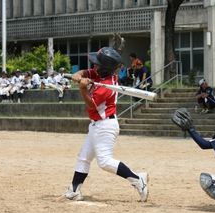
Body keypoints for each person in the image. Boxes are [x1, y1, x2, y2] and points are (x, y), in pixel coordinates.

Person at [58, 47, 148, 202]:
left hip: (105, 125)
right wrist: (77, 75)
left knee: (105, 162)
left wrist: (82, 88)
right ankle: (74, 190)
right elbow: (86, 73)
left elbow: (91, 104)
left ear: (106, 68)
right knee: (83, 158)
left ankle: (138, 180)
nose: (94, 66)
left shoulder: (107, 86)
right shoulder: (99, 73)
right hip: (96, 125)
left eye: (97, 64)